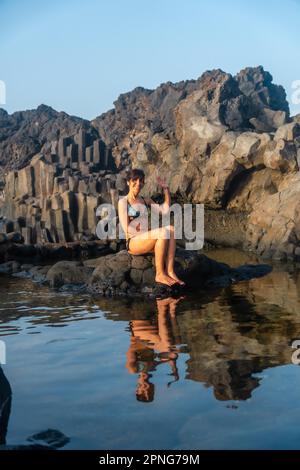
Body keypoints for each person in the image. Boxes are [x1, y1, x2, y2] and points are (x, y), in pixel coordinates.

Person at [118, 168, 185, 287]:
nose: (138, 183)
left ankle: (170, 271)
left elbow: (164, 210)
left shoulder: (145, 200)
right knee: (162, 233)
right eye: (135, 180)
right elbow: (126, 228)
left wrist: (166, 189)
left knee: (171, 229)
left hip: (145, 238)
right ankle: (160, 274)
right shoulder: (123, 202)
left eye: (141, 180)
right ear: (128, 182)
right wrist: (148, 233)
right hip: (133, 242)